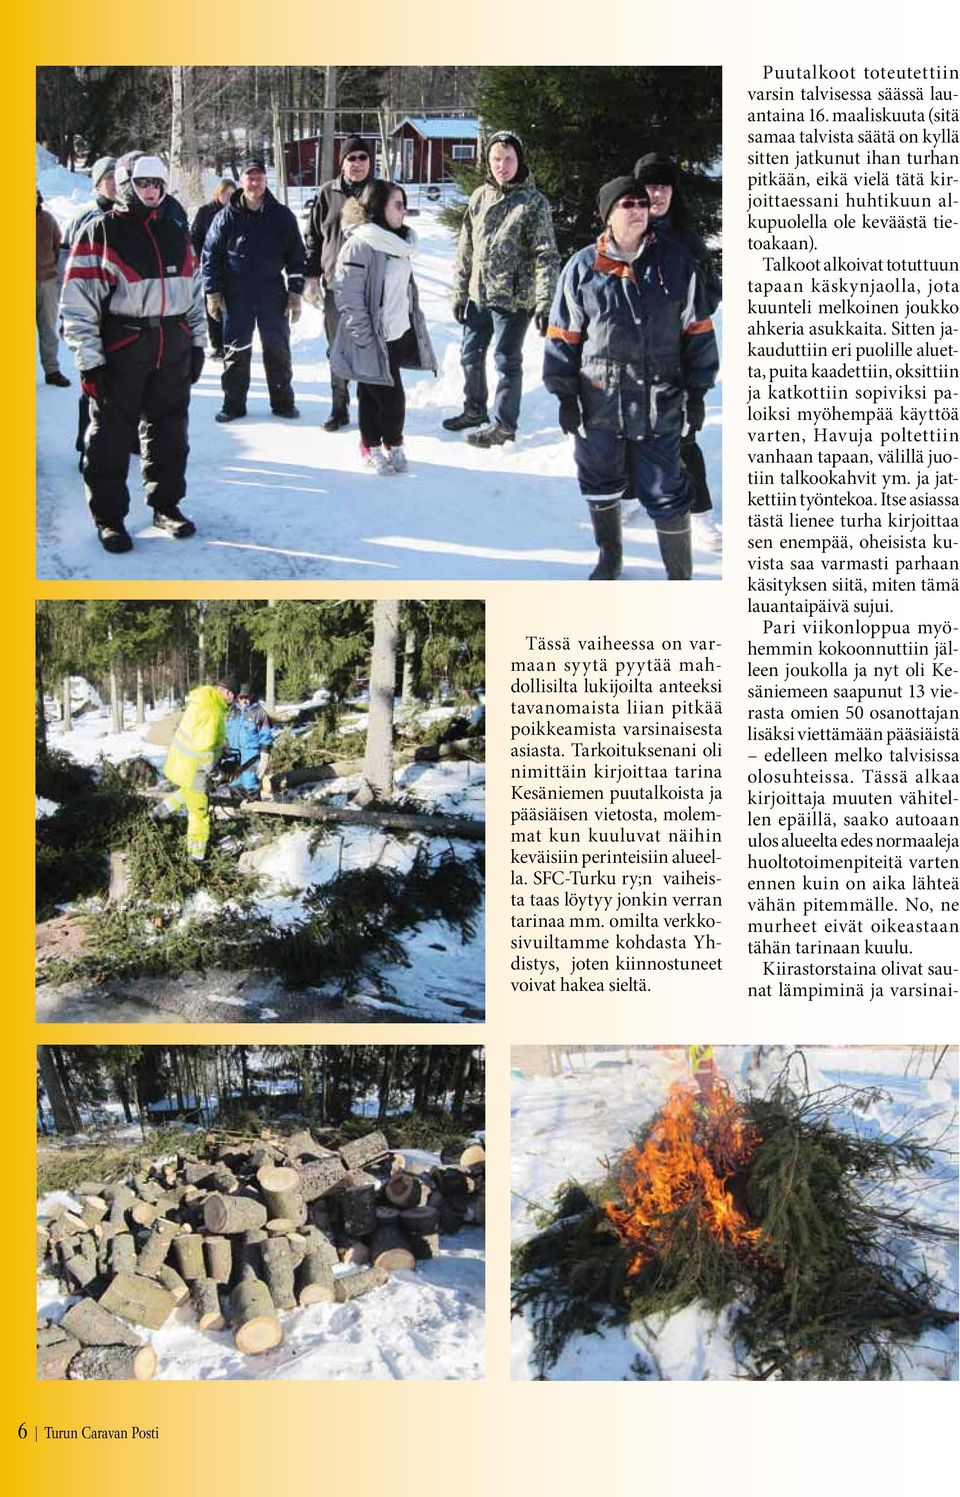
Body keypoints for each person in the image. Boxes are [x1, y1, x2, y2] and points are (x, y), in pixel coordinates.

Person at [543, 176, 719, 581]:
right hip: (599, 399)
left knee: (666, 489)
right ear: (609, 215)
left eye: (643, 203)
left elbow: (698, 330)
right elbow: (563, 336)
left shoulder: (675, 264)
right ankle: (610, 559)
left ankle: (680, 576)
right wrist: (565, 396)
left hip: (660, 398)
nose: (639, 209)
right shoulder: (583, 268)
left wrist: (697, 393)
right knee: (600, 479)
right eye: (628, 204)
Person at [60, 152, 207, 554]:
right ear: (126, 185)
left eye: (157, 184)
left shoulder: (177, 230)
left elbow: (194, 294)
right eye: (143, 184)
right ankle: (109, 519)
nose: (151, 191)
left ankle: (166, 505)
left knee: (170, 433)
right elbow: (77, 304)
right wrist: (89, 360)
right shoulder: (101, 233)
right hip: (123, 348)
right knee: (110, 437)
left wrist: (197, 343)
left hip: (172, 348)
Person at [443, 130, 559, 448]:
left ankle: (505, 425)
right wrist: (460, 292)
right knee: (470, 354)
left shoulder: (534, 202)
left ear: (519, 161)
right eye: (496, 159)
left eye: (508, 159)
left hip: (513, 300)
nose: (502, 165)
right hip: (479, 295)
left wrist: (544, 302)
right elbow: (466, 247)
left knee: (507, 361)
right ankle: (474, 409)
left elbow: (546, 254)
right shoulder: (480, 196)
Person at [634, 151, 723, 552]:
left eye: (664, 186)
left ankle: (700, 514)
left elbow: (712, 290)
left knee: (684, 436)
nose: (657, 194)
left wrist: (688, 310)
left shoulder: (687, 240)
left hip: (676, 355)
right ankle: (628, 497)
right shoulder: (624, 235)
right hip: (631, 354)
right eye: (650, 186)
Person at [331, 181, 436, 475]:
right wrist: (364, 336)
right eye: (397, 205)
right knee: (390, 397)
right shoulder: (361, 244)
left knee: (370, 392)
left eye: (403, 204)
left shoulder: (399, 243)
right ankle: (389, 443)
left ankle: (373, 444)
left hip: (396, 332)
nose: (404, 211)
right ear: (379, 207)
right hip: (369, 336)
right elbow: (348, 296)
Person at [202, 156, 306, 422]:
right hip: (237, 293)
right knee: (236, 349)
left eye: (259, 176)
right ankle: (233, 404)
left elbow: (296, 255)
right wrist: (213, 292)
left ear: (265, 180)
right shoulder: (225, 217)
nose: (255, 181)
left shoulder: (282, 216)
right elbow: (210, 255)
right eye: (250, 176)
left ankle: (283, 402)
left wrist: (295, 292)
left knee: (277, 347)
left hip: (272, 290)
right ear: (241, 181)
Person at [303, 135, 374, 431]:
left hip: (370, 287)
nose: (357, 163)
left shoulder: (380, 193)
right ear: (341, 162)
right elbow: (313, 239)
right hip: (335, 286)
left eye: (362, 157)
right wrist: (310, 277)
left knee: (370, 348)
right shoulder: (326, 194)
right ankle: (339, 407)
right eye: (351, 158)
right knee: (337, 348)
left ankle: (371, 409)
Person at [61, 158, 119, 467]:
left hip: (121, 313)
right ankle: (88, 445)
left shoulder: (128, 217)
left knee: (124, 378)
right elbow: (65, 269)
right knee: (93, 380)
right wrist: (66, 314)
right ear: (97, 183)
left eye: (117, 176)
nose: (113, 182)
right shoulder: (83, 218)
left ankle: (128, 439)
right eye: (107, 177)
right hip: (91, 311)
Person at [159, 676, 237, 861]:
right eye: (233, 696)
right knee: (199, 814)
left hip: (181, 763)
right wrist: (216, 773)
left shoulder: (205, 700)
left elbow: (201, 736)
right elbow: (205, 749)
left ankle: (156, 815)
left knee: (187, 795)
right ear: (227, 692)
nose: (234, 700)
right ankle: (195, 858)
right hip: (195, 771)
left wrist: (221, 747)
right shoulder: (213, 711)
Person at [189, 179, 235, 359]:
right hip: (211, 265)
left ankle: (229, 342)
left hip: (231, 266)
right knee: (213, 304)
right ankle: (217, 344)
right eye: (225, 193)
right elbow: (195, 236)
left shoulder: (236, 212)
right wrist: (201, 256)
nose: (228, 197)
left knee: (230, 306)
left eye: (232, 194)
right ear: (218, 193)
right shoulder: (206, 212)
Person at [36, 190, 69, 388]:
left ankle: (52, 370)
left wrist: (55, 275)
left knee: (48, 329)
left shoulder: (47, 220)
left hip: (46, 282)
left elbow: (58, 247)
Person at [224, 684, 274, 797]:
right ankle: (238, 812)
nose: (244, 700)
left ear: (251, 696)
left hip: (251, 755)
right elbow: (225, 732)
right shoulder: (231, 712)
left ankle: (254, 811)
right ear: (237, 697)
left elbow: (266, 735)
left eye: (246, 697)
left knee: (250, 783)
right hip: (233, 755)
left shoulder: (259, 712)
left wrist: (265, 754)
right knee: (234, 784)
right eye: (241, 698)